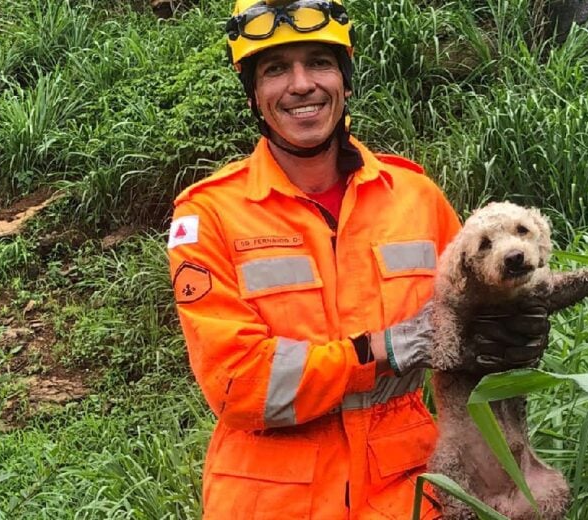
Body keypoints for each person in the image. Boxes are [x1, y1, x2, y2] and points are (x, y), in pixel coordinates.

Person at [167, 0, 550, 517]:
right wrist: (382, 350)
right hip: (269, 499)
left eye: (319, 63)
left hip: (410, 489)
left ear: (345, 81)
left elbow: (475, 315)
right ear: (255, 95)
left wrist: (514, 333)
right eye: (276, 69)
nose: (301, 84)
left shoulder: (415, 196)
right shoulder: (209, 214)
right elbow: (240, 386)